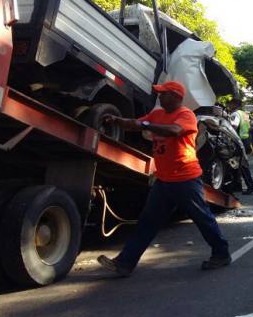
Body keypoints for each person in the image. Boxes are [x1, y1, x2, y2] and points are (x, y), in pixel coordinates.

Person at [97, 81, 231, 276]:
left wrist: (147, 124)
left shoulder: (186, 115)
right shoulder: (157, 114)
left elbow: (174, 131)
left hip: (185, 179)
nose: (159, 97)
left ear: (176, 97)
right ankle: (124, 263)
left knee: (202, 218)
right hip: (164, 180)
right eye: (159, 94)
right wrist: (117, 120)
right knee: (147, 222)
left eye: (163, 94)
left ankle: (221, 253)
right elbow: (137, 123)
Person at [227, 98, 253, 195]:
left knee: (241, 164)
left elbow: (234, 126)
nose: (229, 106)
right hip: (245, 140)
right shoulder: (244, 114)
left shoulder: (235, 114)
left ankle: (251, 185)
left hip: (238, 141)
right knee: (236, 163)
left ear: (234, 104)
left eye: (230, 104)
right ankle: (237, 186)